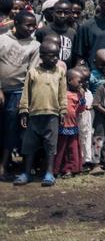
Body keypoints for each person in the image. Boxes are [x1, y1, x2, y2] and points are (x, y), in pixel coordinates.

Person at [15, 39, 66, 186]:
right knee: (29, 145)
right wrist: (24, 111)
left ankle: (49, 173)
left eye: (57, 55)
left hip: (52, 115)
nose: (55, 58)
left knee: (50, 146)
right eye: (51, 55)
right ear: (42, 56)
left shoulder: (60, 72)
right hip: (34, 115)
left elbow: (62, 94)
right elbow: (26, 93)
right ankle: (26, 173)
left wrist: (63, 111)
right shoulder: (33, 72)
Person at [1, 10, 39, 179]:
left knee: (11, 127)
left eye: (34, 25)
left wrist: (25, 98)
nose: (31, 28)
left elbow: (31, 72)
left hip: (18, 91)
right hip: (2, 88)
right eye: (27, 25)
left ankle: (4, 164)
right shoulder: (2, 40)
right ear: (16, 24)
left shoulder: (34, 45)